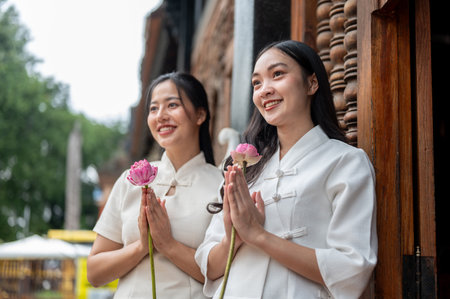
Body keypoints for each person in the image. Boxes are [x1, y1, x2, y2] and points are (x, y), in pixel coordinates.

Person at [195, 40, 377, 299]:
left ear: (311, 83)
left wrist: (258, 235)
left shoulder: (346, 162)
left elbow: (352, 268)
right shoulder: (245, 168)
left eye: (277, 74)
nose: (264, 90)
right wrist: (232, 236)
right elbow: (208, 266)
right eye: (257, 83)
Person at [87, 72, 223, 298]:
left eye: (172, 105)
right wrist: (141, 247)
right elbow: (95, 273)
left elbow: (226, 273)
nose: (161, 116)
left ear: (200, 114)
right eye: (153, 108)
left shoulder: (222, 186)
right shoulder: (131, 180)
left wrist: (168, 244)